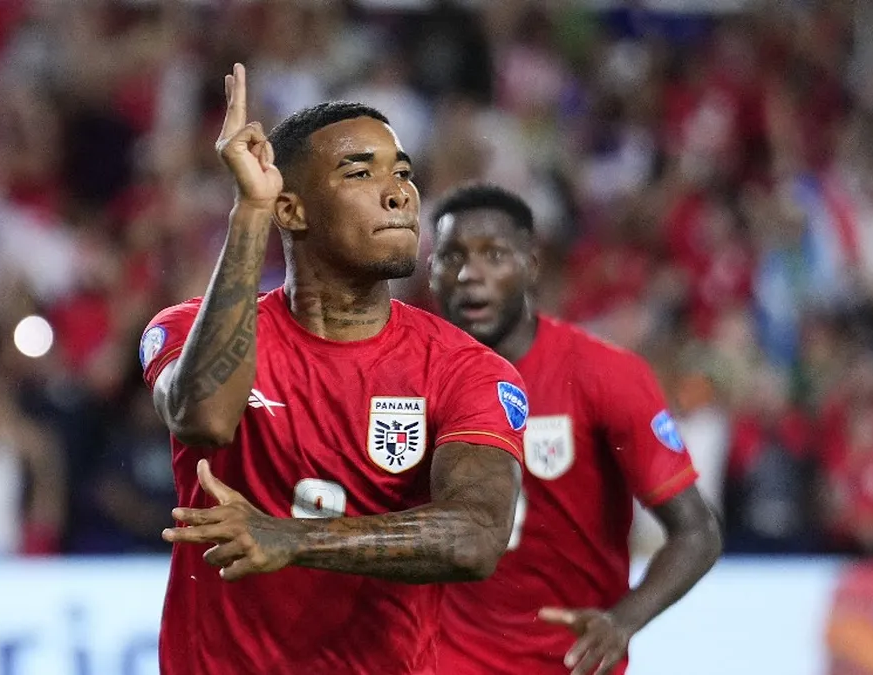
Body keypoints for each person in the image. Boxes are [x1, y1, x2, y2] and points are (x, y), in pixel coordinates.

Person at [140, 65, 528, 675]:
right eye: (360, 172)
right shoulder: (189, 329)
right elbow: (205, 420)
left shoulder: (466, 370)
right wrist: (250, 211)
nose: (399, 193)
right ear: (291, 210)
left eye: (403, 172)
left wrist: (291, 539)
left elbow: (477, 536)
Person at [428, 183, 722, 675]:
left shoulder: (604, 375)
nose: (469, 275)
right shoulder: (409, 380)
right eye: (451, 257)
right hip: (440, 661)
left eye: (493, 255)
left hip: (567, 663)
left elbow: (697, 531)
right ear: (431, 269)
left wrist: (622, 621)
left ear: (532, 265)